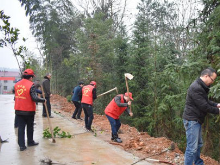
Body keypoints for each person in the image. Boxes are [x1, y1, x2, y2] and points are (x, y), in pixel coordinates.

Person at [182, 67, 220, 165]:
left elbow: (205, 101)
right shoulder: (196, 87)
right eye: (212, 79)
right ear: (206, 76)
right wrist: (218, 111)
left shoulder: (200, 86)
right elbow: (204, 106)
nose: (212, 82)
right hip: (191, 120)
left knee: (198, 145)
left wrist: (216, 105)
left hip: (196, 120)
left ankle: (199, 163)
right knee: (191, 148)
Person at [14, 69, 45, 151]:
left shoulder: (17, 84)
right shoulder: (31, 85)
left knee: (21, 128)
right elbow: (34, 98)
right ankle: (30, 142)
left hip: (18, 109)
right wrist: (43, 100)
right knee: (30, 127)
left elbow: (15, 97)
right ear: (31, 77)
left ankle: (21, 146)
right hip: (28, 110)